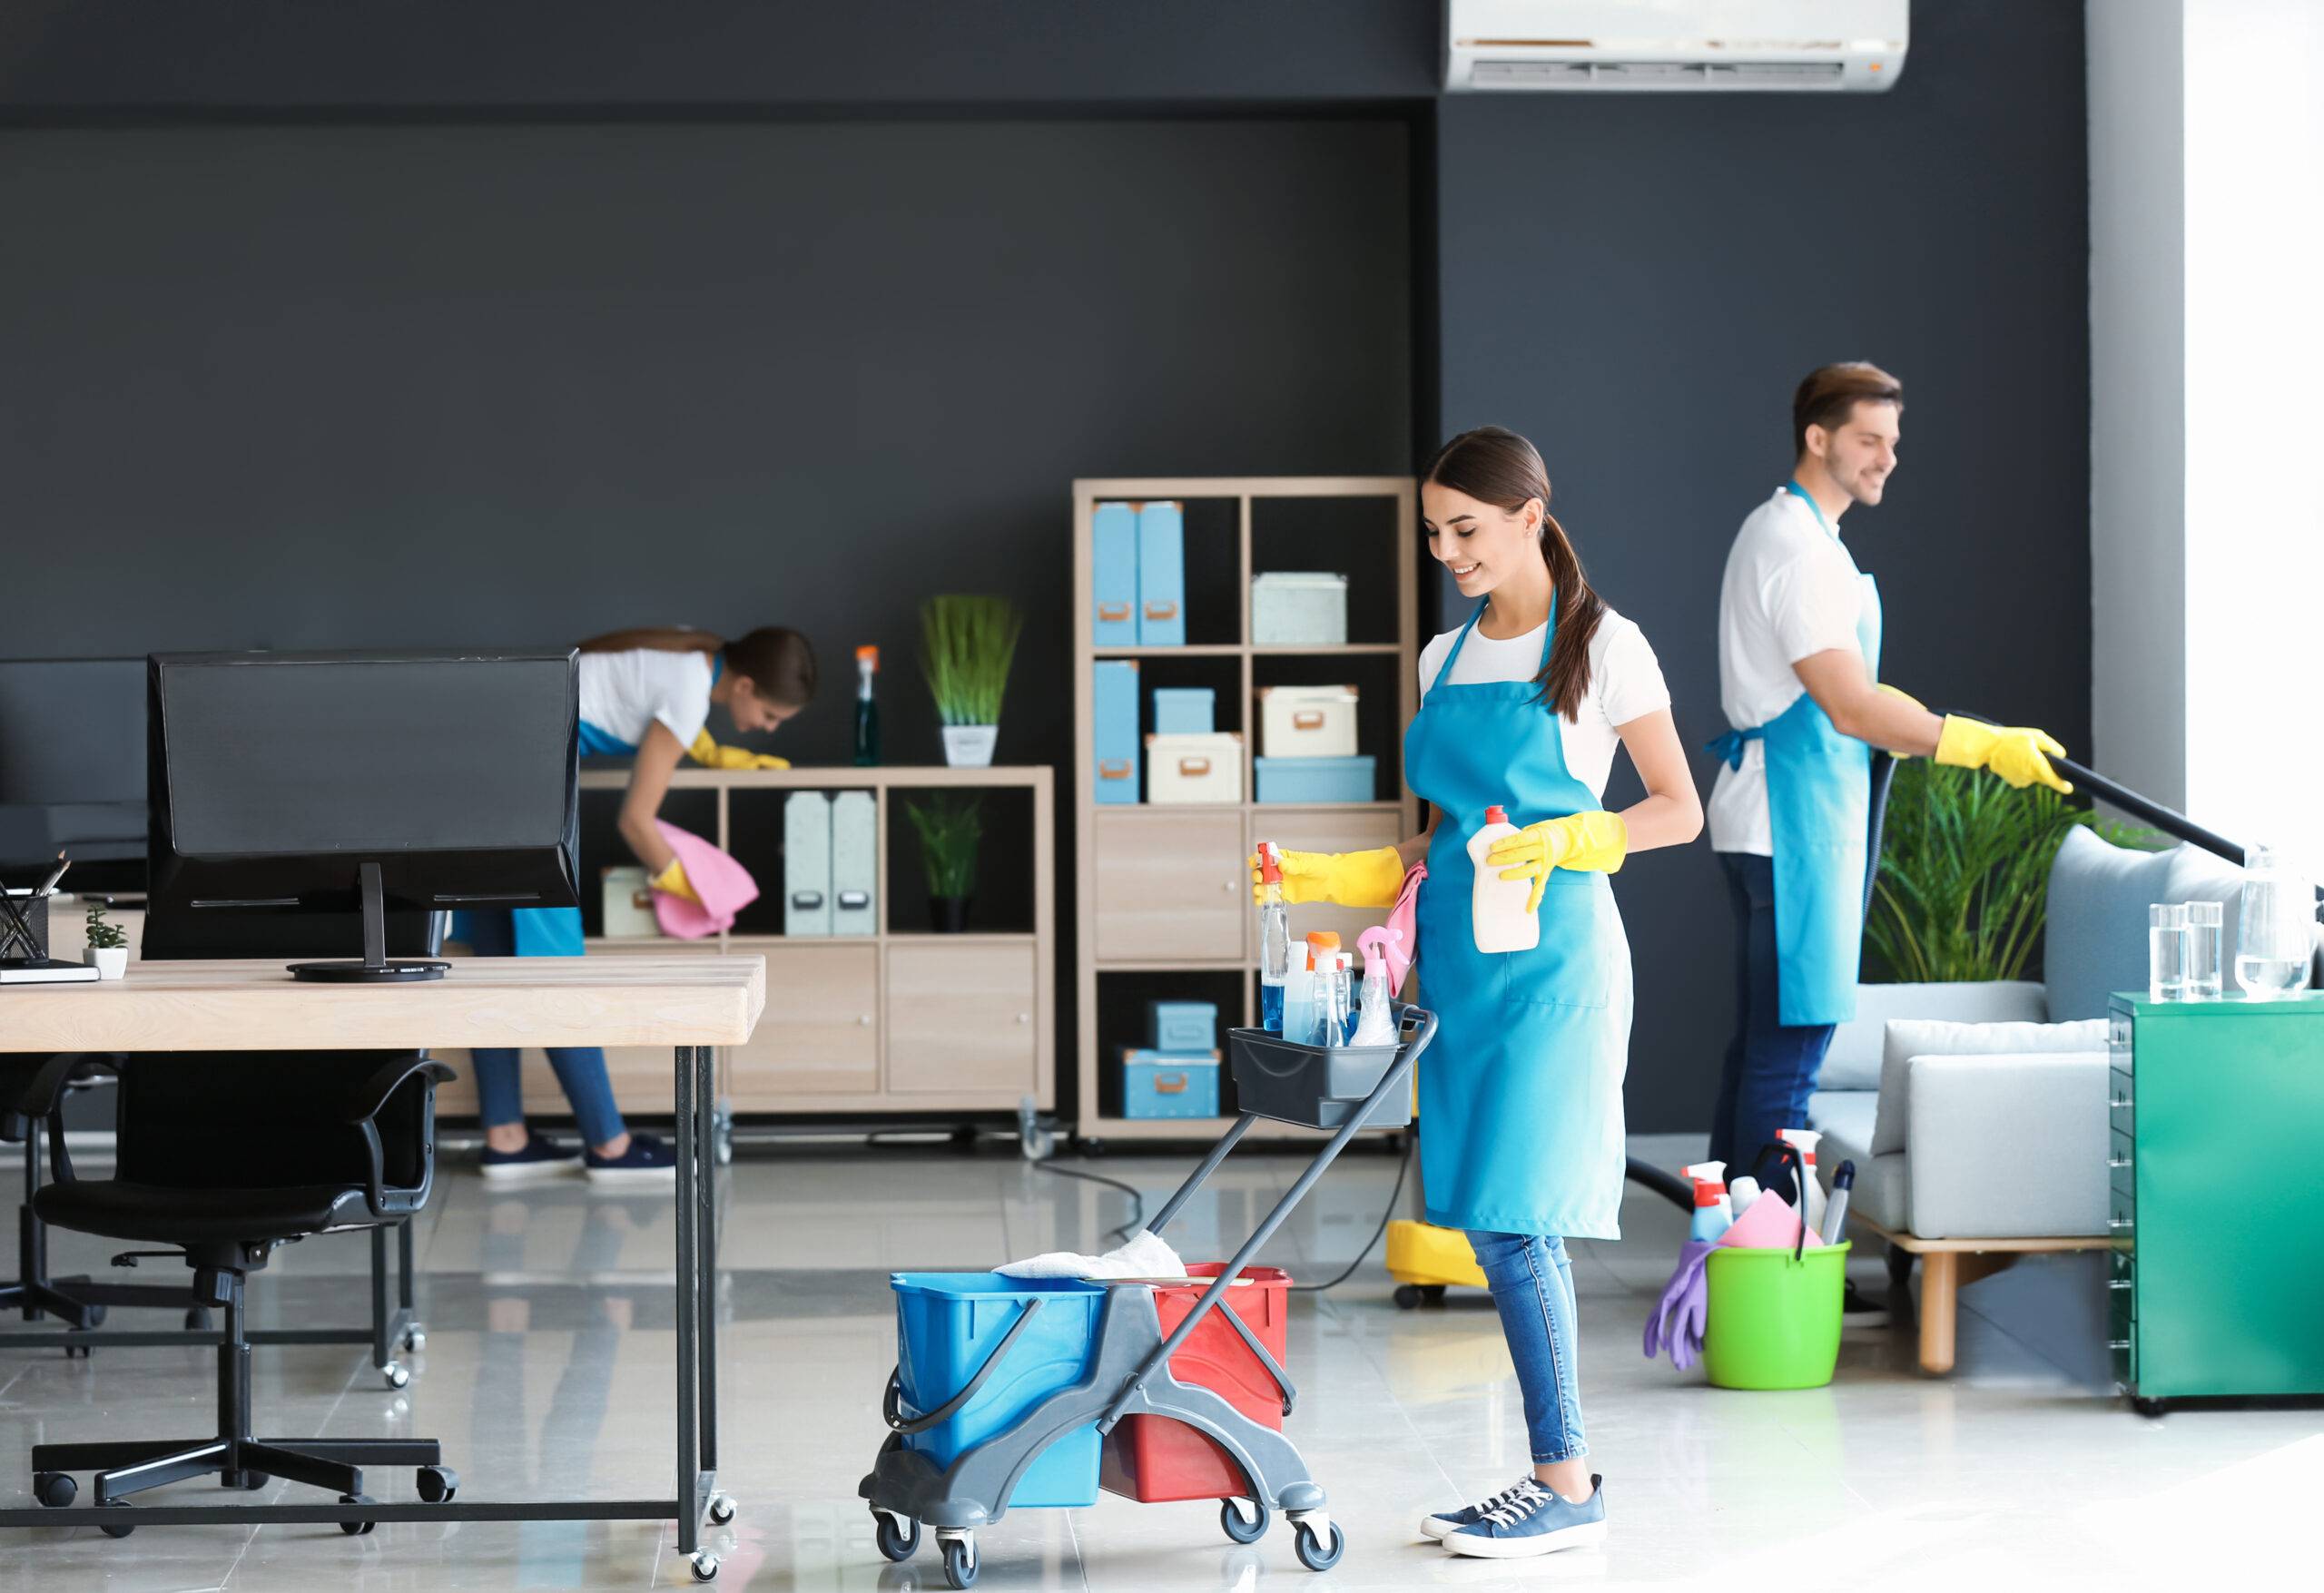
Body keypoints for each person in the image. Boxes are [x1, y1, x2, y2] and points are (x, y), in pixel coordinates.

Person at [1257, 427, 1700, 1559]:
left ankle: (1563, 1481)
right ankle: (1560, 1477)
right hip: (1457, 964)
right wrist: (1330, 876)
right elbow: (1437, 838)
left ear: (1528, 516)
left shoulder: (1607, 648)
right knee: (1496, 1222)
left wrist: (1576, 838)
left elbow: (1675, 808)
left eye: (1465, 529)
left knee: (1518, 1220)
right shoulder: (1439, 660)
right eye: (1433, 533)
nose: (1447, 552)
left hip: (1555, 966)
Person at [1705, 362, 2072, 1176]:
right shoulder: (1798, 548)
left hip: (1778, 821)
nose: (1886, 458)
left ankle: (1729, 1256)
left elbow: (1852, 688)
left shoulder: (1799, 534)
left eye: (1892, 442)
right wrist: (1979, 742)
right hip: (1789, 831)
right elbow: (1849, 705)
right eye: (1869, 439)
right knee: (1789, 1056)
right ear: (1818, 437)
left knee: (1766, 1045)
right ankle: (1765, 1263)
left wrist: (1929, 724)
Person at [468, 625, 815, 1185]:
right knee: (556, 968)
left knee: (498, 957)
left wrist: (714, 753)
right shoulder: (688, 689)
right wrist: (698, 890)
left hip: (486, 764)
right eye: (771, 715)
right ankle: (609, 1144)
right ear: (746, 685)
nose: (767, 729)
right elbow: (637, 821)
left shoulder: (689, 657)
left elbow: (637, 703)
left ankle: (505, 1136)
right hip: (523, 778)